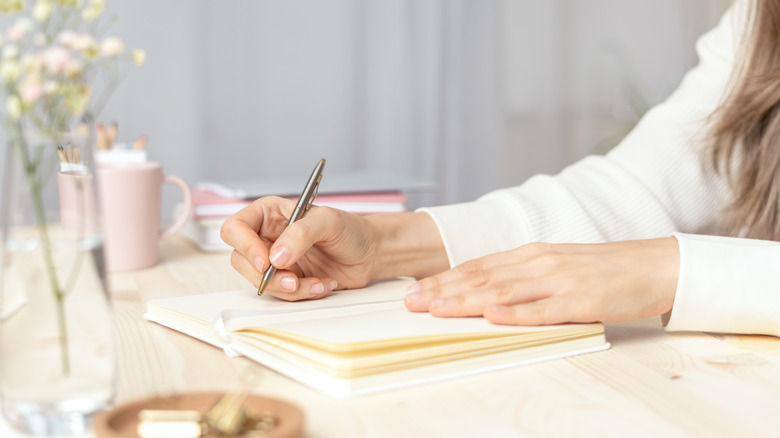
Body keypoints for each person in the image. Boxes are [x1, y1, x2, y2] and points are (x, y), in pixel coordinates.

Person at [221, 0, 780, 338]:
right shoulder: (760, 20)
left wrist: (672, 271)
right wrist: (386, 245)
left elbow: (654, 259)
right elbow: (639, 188)